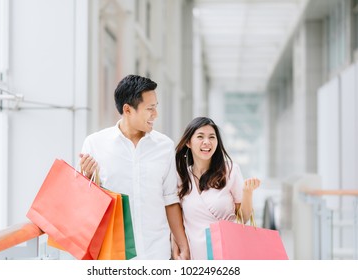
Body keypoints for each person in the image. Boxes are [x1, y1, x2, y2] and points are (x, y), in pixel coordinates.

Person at [79, 74, 189, 260]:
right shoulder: (95, 144)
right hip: (113, 255)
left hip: (156, 253)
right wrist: (88, 178)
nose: (156, 114)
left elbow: (170, 200)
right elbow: (83, 204)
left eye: (156, 108)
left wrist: (182, 243)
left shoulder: (165, 146)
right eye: (150, 109)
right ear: (128, 110)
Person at [172, 117, 260, 260]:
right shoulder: (181, 176)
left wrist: (247, 193)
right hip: (194, 257)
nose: (207, 142)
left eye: (212, 137)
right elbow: (177, 220)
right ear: (188, 142)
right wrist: (177, 248)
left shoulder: (230, 170)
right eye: (200, 137)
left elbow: (243, 218)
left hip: (227, 253)